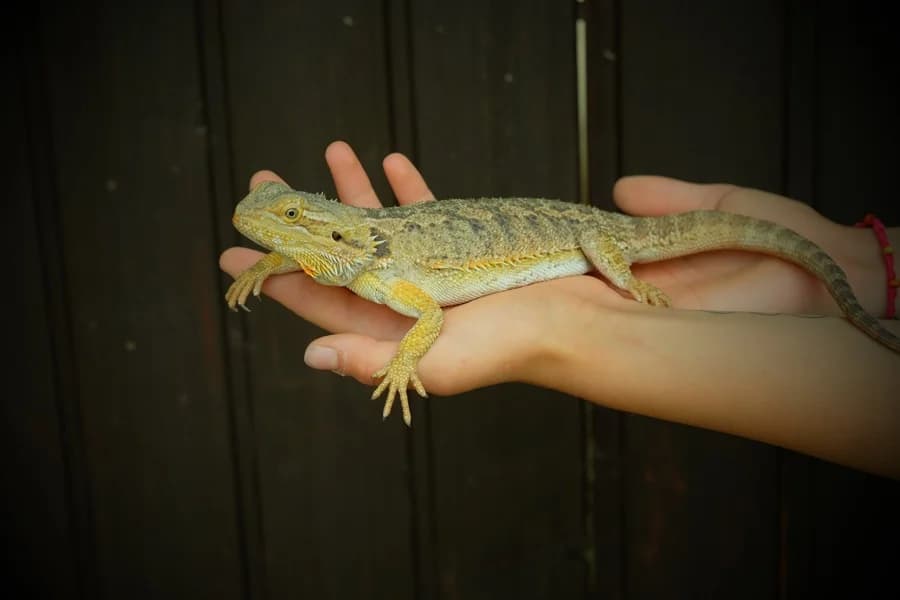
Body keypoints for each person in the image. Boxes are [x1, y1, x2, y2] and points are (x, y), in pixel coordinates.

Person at [219, 141, 900, 479]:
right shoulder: (351, 256)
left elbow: (429, 319)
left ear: (327, 227)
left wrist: (403, 364)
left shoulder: (389, 273)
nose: (273, 226)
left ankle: (845, 284)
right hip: (510, 231)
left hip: (598, 238)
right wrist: (271, 262)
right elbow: (320, 256)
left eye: (289, 218)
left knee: (612, 249)